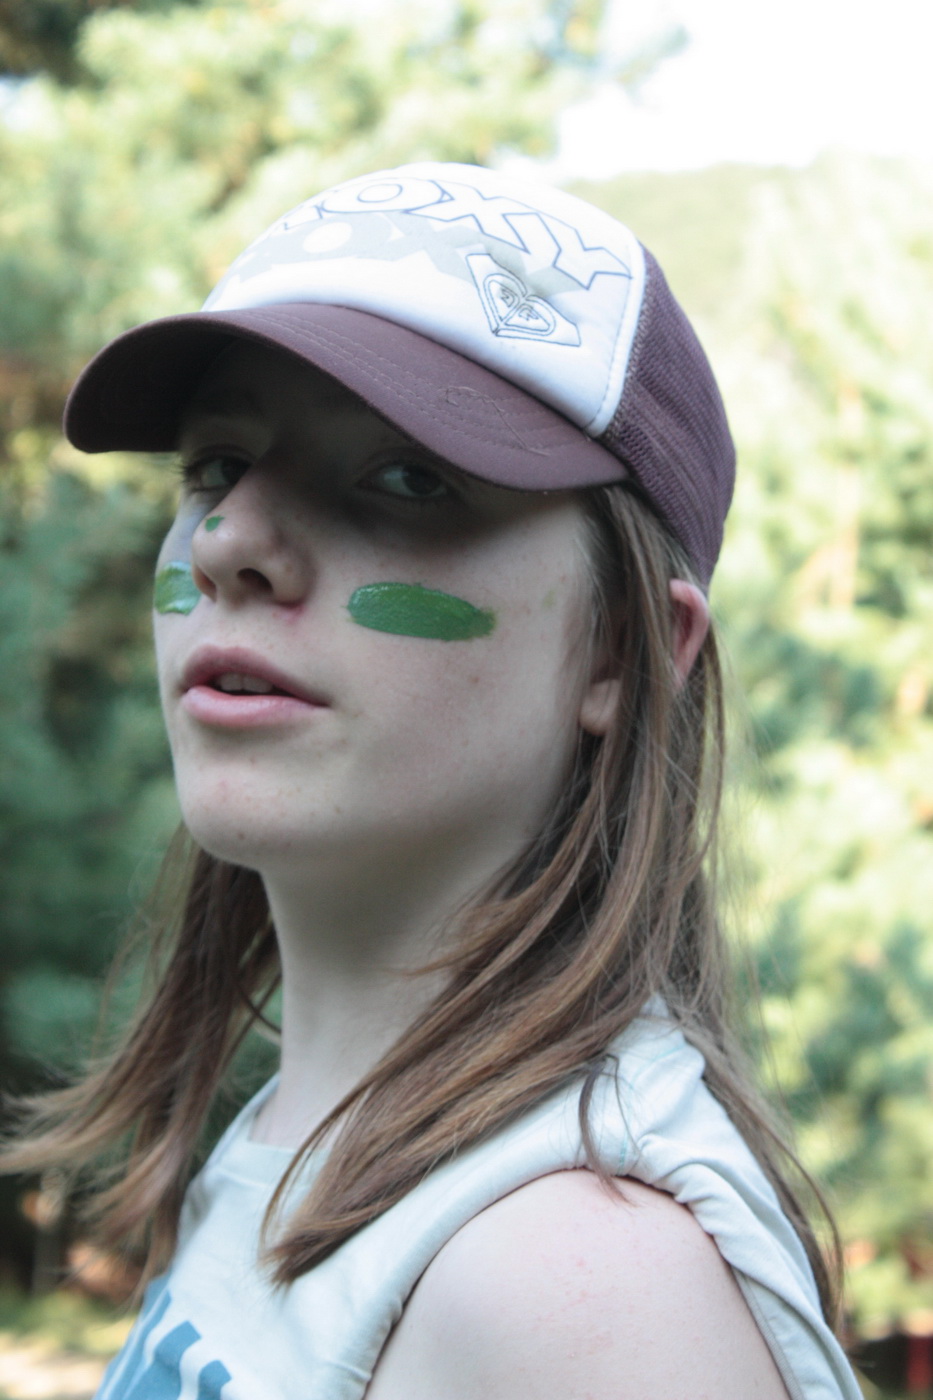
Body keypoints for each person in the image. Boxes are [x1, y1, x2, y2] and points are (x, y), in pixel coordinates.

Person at [2, 162, 862, 1399]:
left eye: (407, 477)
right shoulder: (301, 1142)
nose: (232, 540)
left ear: (622, 650)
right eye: (217, 465)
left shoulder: (582, 1285)